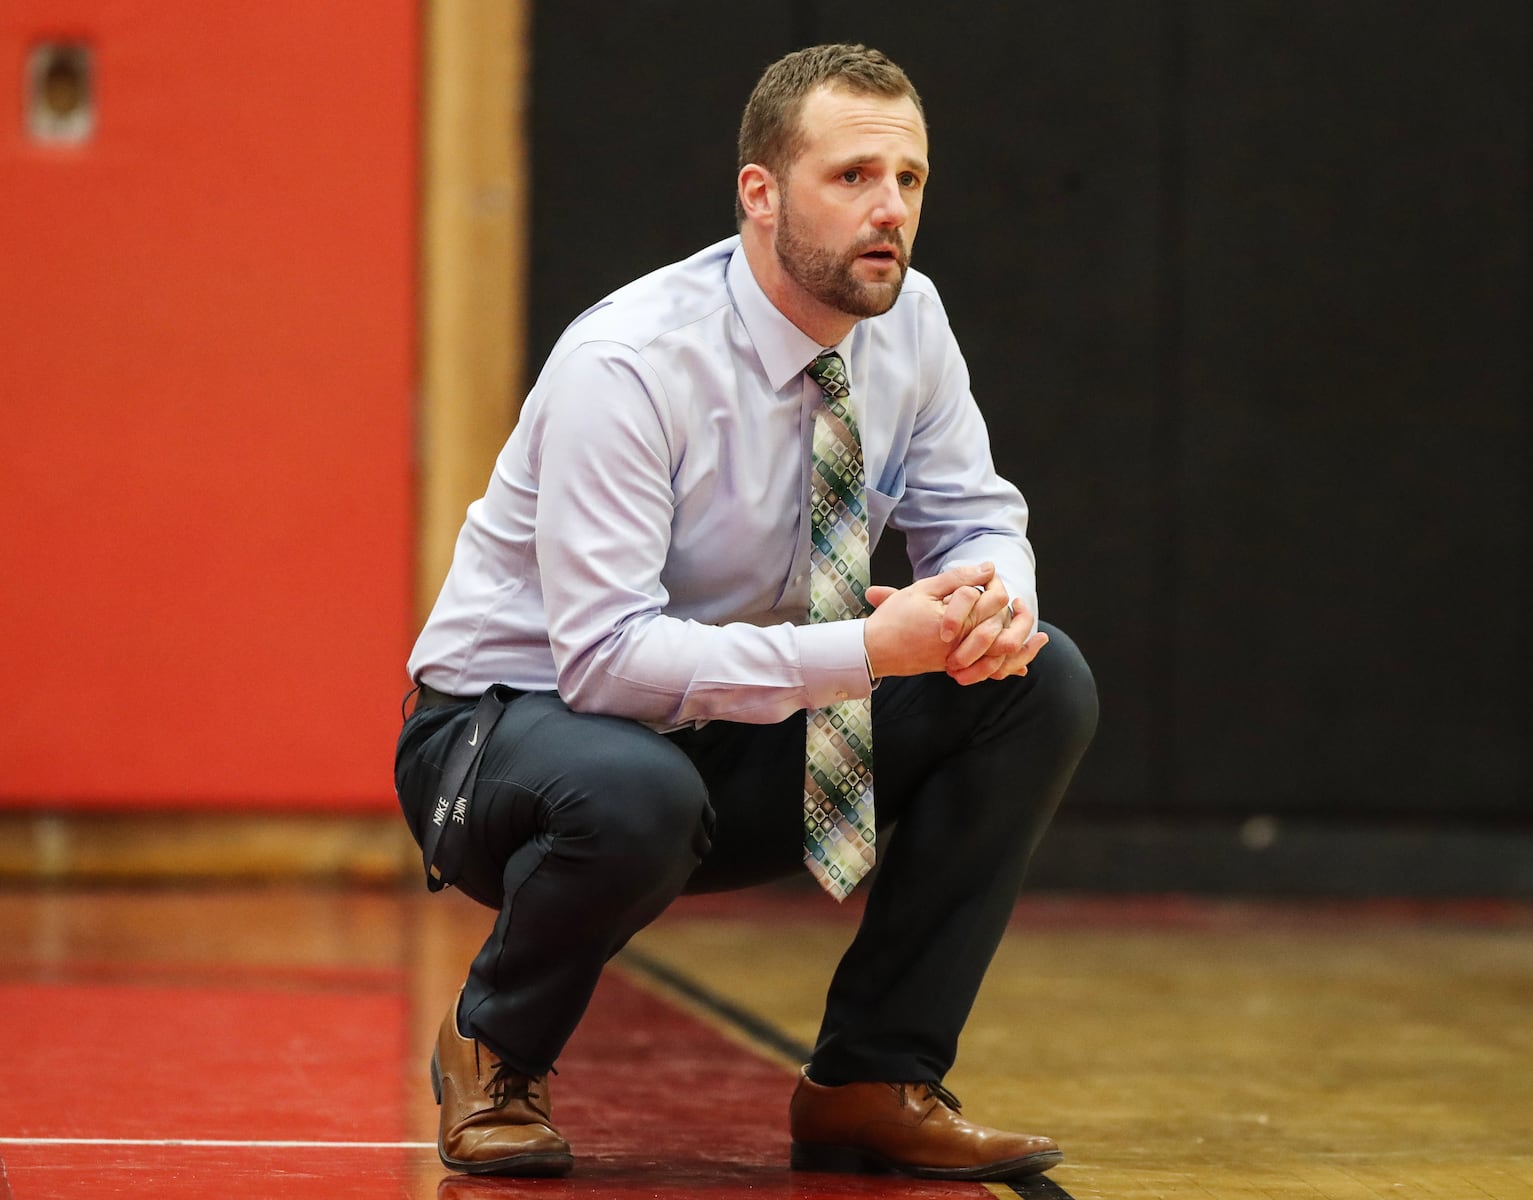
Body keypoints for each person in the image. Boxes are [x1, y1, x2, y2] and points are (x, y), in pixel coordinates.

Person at [395, 42, 1098, 1182]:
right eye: (853, 176)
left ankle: (872, 1079)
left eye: (910, 180)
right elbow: (607, 664)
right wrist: (870, 651)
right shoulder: (627, 363)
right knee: (634, 787)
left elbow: (978, 517)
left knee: (1040, 681)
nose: (890, 210)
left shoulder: (910, 322)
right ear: (759, 194)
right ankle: (493, 1048)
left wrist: (993, 608)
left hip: (731, 734)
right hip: (502, 738)